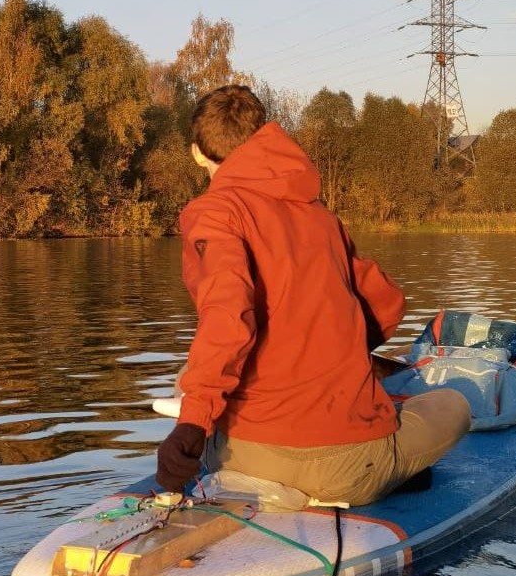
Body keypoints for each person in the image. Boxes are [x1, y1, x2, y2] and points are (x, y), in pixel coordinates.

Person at [156, 84, 470, 506]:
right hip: (348, 468)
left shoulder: (211, 213)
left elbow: (227, 318)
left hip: (237, 458)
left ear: (196, 152)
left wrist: (192, 425)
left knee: (188, 375)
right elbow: (387, 304)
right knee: (455, 402)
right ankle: (393, 470)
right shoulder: (321, 218)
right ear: (264, 137)